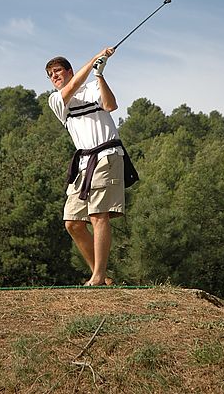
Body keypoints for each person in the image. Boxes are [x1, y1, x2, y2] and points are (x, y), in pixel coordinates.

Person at [45, 47, 138, 286]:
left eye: (57, 72)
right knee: (73, 223)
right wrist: (96, 57)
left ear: (69, 71)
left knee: (98, 215)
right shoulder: (56, 100)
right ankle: (101, 275)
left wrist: (99, 74)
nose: (54, 77)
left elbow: (110, 105)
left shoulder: (92, 87)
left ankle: (97, 277)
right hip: (84, 164)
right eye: (50, 75)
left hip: (107, 155)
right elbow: (74, 86)